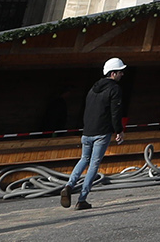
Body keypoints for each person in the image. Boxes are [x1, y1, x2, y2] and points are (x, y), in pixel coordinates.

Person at [61, 57, 126, 211]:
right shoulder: (114, 89)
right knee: (94, 164)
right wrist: (119, 130)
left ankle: (69, 184)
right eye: (120, 72)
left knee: (84, 159)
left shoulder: (93, 89)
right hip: (102, 132)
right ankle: (82, 199)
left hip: (87, 131)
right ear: (113, 73)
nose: (122, 75)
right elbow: (115, 112)